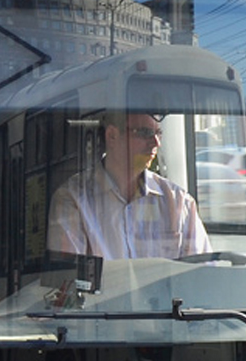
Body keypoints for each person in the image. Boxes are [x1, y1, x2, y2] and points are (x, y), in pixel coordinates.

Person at [46, 110, 209, 260]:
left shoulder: (179, 202)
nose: (155, 142)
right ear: (112, 136)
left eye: (159, 133)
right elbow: (68, 281)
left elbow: (201, 272)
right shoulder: (73, 199)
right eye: (145, 133)